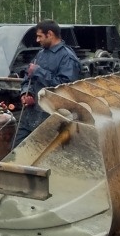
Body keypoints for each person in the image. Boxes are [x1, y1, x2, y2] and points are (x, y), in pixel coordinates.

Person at [13, 20, 81, 148]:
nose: (37, 40)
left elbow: (65, 87)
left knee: (42, 155)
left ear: (50, 34)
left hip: (52, 117)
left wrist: (39, 71)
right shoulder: (41, 53)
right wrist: (26, 93)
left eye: (40, 36)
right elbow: (28, 78)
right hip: (30, 115)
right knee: (16, 150)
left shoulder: (67, 57)